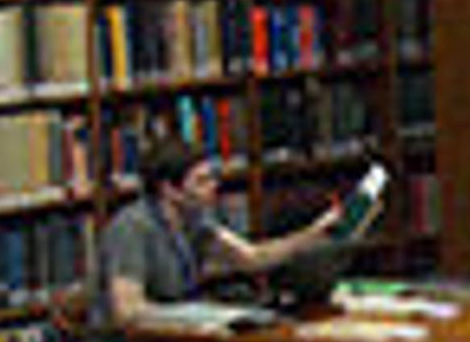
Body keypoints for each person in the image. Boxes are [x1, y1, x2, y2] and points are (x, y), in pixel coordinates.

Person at [95, 133, 352, 325]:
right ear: (169, 189)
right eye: (201, 181)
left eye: (212, 177)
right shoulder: (131, 228)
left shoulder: (195, 220)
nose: (214, 186)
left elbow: (252, 257)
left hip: (179, 333)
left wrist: (313, 234)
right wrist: (192, 315)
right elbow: (127, 310)